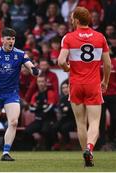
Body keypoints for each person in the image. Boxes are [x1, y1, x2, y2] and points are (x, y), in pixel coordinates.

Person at [0, 27, 40, 161]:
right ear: (2, 40)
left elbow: (29, 64)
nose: (11, 41)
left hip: (11, 94)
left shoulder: (20, 54)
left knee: (14, 122)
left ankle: (6, 152)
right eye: (8, 39)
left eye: (13, 39)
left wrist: (34, 70)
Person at [58, 7, 111, 167]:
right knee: (94, 122)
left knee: (81, 122)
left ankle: (86, 157)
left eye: (72, 18)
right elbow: (107, 64)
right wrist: (105, 82)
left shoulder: (68, 37)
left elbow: (61, 61)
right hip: (93, 84)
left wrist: (68, 68)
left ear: (76, 20)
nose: (71, 20)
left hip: (75, 85)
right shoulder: (99, 37)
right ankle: (90, 148)